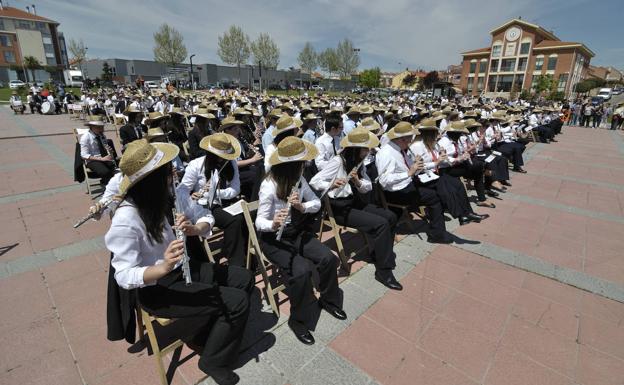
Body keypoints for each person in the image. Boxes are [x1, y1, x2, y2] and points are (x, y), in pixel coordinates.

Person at [106, 139, 252, 385]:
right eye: (166, 171)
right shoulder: (126, 219)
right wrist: (161, 266)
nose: (173, 173)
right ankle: (212, 361)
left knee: (244, 278)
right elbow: (123, 276)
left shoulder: (172, 194)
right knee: (237, 301)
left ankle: (209, 336)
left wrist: (194, 229)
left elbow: (204, 215)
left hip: (182, 270)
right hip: (158, 289)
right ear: (150, 182)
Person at [256, 136, 346, 345]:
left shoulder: (299, 180)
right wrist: (273, 224)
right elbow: (259, 220)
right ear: (289, 166)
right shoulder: (269, 186)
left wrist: (300, 207)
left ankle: (329, 300)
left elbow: (315, 202)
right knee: (302, 271)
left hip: (295, 232)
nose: (305, 166)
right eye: (300, 164)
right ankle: (298, 321)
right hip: (273, 239)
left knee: (328, 259)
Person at [309, 128, 402, 290]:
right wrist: (331, 184)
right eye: (365, 149)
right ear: (355, 149)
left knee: (391, 217)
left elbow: (367, 187)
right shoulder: (338, 161)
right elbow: (315, 181)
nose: (368, 152)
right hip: (340, 209)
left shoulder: (360, 163)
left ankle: (377, 253)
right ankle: (383, 271)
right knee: (381, 224)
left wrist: (357, 181)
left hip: (355, 203)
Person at [178, 133, 247, 267]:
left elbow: (236, 189)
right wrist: (192, 195)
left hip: (224, 201)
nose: (222, 160)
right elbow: (182, 189)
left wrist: (216, 193)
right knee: (234, 221)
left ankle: (241, 255)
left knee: (248, 216)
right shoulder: (196, 165)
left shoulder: (231, 162)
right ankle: (236, 264)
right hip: (204, 206)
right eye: (219, 157)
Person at [410, 119, 489, 227]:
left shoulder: (432, 144)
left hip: (434, 173)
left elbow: (444, 159)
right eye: (435, 133)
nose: (437, 136)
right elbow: (418, 167)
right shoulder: (417, 146)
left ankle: (467, 214)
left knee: (458, 184)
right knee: (449, 185)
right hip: (424, 176)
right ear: (429, 134)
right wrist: (437, 162)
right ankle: (461, 215)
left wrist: (447, 158)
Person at [79, 116, 117, 186]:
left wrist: (110, 152)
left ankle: (106, 183)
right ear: (92, 127)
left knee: (115, 169)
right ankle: (107, 186)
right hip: (92, 160)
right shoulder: (85, 137)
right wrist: (101, 159)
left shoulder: (102, 136)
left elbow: (104, 148)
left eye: (102, 127)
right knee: (105, 172)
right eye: (99, 127)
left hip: (103, 157)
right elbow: (84, 155)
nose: (102, 129)